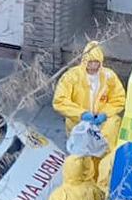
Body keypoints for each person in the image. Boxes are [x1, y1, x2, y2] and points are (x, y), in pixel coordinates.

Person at [52, 41, 126, 191]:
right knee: (82, 159)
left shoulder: (108, 77)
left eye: (96, 62)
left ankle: (100, 187)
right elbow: (60, 101)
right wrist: (81, 114)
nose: (93, 66)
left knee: (101, 157)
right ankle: (84, 189)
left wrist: (105, 113)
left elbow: (119, 99)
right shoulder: (71, 77)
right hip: (79, 127)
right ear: (84, 61)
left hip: (102, 127)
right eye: (90, 62)